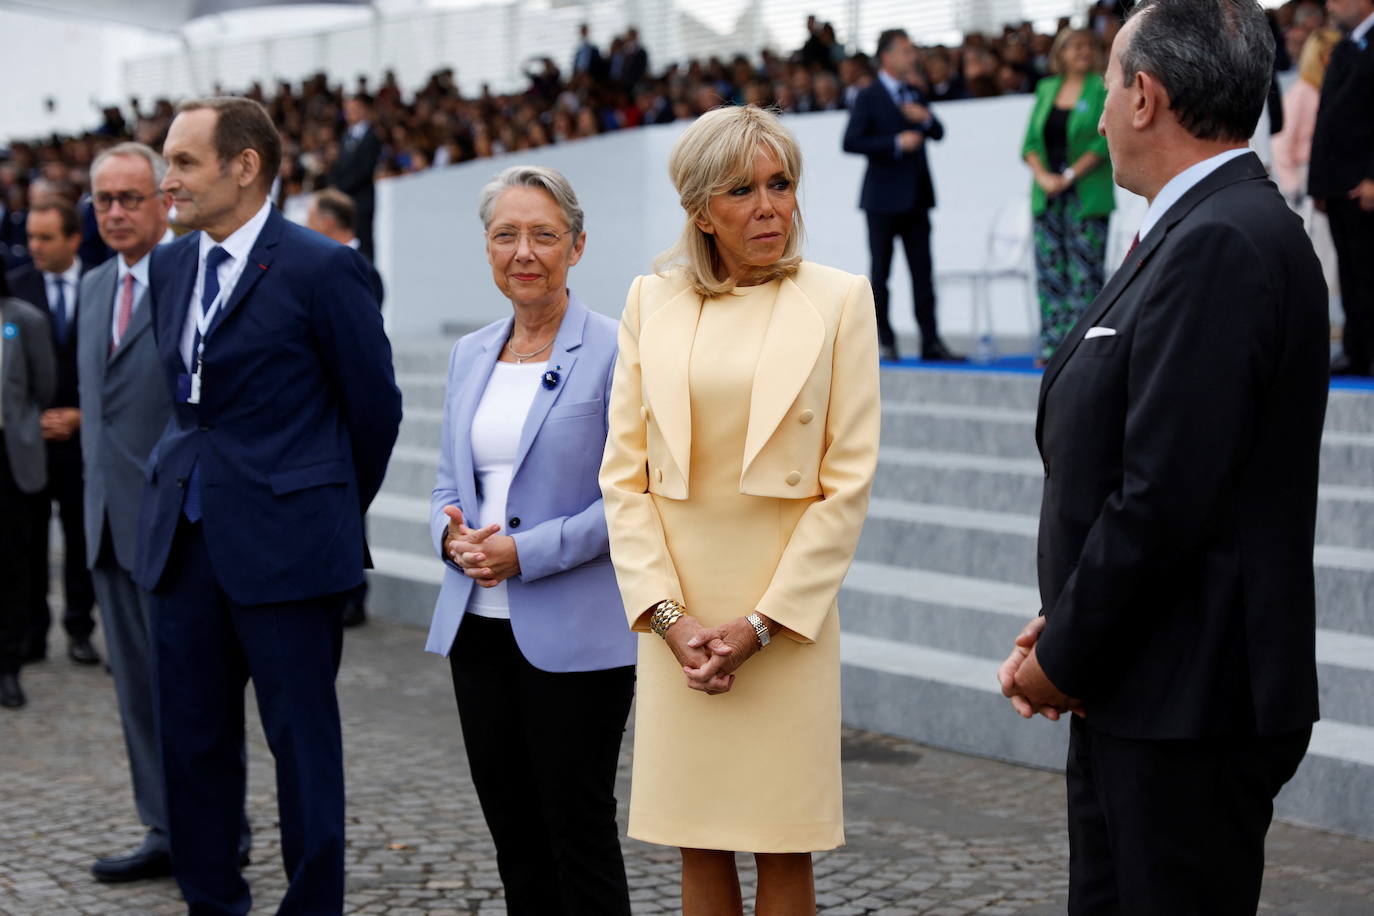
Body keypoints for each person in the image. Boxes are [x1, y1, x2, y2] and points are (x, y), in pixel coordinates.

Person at [997, 2, 1328, 912]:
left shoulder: (1220, 240)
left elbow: (1163, 499)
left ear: (1144, 97)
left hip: (1187, 703)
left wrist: (1062, 654)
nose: (1099, 114)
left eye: (1108, 86)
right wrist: (1070, 631)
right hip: (1144, 683)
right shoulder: (1204, 227)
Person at [601, 105, 880, 916]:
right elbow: (624, 478)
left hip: (786, 620)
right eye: (742, 190)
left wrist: (762, 624)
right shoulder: (650, 301)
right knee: (698, 841)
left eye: (781, 184)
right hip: (678, 618)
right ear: (700, 211)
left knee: (785, 846)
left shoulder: (839, 300)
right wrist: (669, 618)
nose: (769, 207)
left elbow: (846, 484)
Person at [136, 96, 401, 914]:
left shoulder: (322, 268)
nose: (168, 179)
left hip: (291, 550)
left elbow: (374, 409)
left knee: (303, 749)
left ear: (244, 166)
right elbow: (189, 404)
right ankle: (212, 902)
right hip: (184, 543)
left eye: (184, 162)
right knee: (192, 745)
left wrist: (318, 507)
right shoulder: (171, 267)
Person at [428, 165, 637, 915]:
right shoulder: (471, 352)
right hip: (477, 629)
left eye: (543, 235)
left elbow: (633, 499)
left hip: (576, 633)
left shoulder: (618, 349)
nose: (524, 252)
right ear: (487, 247)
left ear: (576, 246)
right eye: (506, 235)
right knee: (513, 837)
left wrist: (526, 553)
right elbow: (447, 487)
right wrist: (451, 538)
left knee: (579, 834)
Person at [78, 141, 253, 883]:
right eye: (104, 200)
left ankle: (219, 834)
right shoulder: (93, 285)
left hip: (180, 527)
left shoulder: (196, 278)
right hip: (108, 524)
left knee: (199, 694)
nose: (116, 212)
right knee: (137, 695)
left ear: (163, 201)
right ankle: (164, 827)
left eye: (131, 198)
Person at [6, 199, 98, 666]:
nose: (35, 247)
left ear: (74, 239)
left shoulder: (101, 284)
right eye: (31, 238)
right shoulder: (15, 288)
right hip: (32, 440)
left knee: (83, 538)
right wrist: (31, 417)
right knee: (29, 541)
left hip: (86, 438)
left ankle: (80, 627)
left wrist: (84, 414)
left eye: (46, 238)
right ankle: (32, 631)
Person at [843, 28, 960, 363]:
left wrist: (926, 117)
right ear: (887, 56)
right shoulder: (868, 95)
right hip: (881, 199)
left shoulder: (914, 91)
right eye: (906, 51)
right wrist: (895, 143)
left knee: (923, 272)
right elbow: (851, 141)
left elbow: (938, 132)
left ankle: (930, 342)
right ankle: (885, 340)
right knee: (881, 273)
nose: (913, 57)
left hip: (917, 197)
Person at [1021, 29, 1114, 364]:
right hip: (1048, 195)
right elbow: (1030, 143)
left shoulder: (1100, 88)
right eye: (1075, 46)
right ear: (1059, 53)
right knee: (1050, 272)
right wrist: (1045, 177)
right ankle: (1052, 345)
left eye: (1088, 45)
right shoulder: (1046, 88)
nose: (1083, 51)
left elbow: (1103, 140)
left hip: (1085, 193)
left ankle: (1082, 348)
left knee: (1085, 273)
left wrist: (1070, 175)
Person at [0, 267, 57, 709]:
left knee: (12, 561)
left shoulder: (24, 319)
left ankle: (8, 664)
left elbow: (45, 386)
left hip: (9, 455)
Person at [1309, 0, 1374, 376]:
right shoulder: (1348, 45)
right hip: (1339, 184)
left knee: (1368, 271)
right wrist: (1320, 183)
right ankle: (1357, 349)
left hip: (1363, 183)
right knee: (1350, 273)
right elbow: (1328, 117)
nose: (1331, 5)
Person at [1273, 27, 1344, 200]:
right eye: (1332, 55)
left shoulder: (1332, 90)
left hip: (1332, 176)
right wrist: (1292, 185)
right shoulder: (1302, 92)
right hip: (1304, 180)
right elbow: (1281, 142)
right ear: (1318, 56)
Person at [306, 188, 384, 307]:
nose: (306, 227)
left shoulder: (363, 270)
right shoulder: (326, 262)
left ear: (326, 223)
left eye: (310, 220)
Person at [327, 93, 382, 260]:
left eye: (354, 109)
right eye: (348, 109)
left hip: (361, 202)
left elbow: (364, 171)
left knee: (363, 245)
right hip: (345, 202)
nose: (350, 113)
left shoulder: (372, 137)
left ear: (364, 110)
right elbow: (339, 166)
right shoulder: (345, 137)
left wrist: (340, 188)